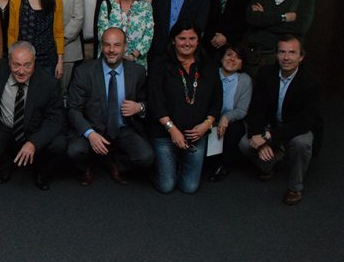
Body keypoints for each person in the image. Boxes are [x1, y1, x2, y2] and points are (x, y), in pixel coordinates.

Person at [0, 42, 66, 190]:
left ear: (34, 62)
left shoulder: (48, 82)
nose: (21, 71)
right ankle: (6, 167)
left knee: (59, 145)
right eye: (16, 65)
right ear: (9, 62)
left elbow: (55, 119)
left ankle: (41, 173)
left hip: (35, 128)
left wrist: (34, 143)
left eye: (27, 65)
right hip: (4, 126)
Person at [239, 35, 321, 205]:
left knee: (301, 144)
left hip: (297, 127)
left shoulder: (310, 82)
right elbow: (257, 108)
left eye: (292, 52)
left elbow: (304, 122)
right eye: (282, 52)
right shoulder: (265, 74)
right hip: (271, 124)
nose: (286, 57)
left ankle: (295, 188)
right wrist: (257, 137)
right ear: (276, 55)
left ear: (301, 57)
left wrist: (267, 137)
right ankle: (271, 164)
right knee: (245, 144)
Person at [67, 27, 153, 186]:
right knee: (74, 151)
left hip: (123, 128)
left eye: (117, 45)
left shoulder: (137, 72)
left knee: (146, 157)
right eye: (107, 45)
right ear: (101, 46)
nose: (111, 50)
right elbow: (73, 109)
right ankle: (87, 166)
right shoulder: (84, 72)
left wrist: (139, 107)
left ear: (125, 47)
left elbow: (148, 102)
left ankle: (115, 163)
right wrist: (90, 134)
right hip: (93, 127)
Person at [148, 20, 222, 194]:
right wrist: (172, 129)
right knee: (166, 186)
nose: (187, 43)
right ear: (173, 40)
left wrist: (207, 124)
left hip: (196, 135)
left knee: (190, 187)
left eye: (192, 38)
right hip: (165, 134)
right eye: (182, 38)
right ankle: (157, 167)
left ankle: (176, 162)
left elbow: (217, 99)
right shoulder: (160, 64)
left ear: (198, 40)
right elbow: (155, 101)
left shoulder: (208, 65)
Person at [242, 0, 315, 75]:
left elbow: (300, 27)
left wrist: (264, 19)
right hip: (256, 58)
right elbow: (252, 19)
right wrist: (283, 17)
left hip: (286, 60)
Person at [7, 0, 64, 79]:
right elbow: (12, 34)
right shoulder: (16, 1)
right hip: (23, 61)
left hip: (48, 59)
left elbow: (59, 33)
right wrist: (11, 59)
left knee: (47, 90)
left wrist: (60, 61)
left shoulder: (56, 0)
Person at [207, 45, 252, 182]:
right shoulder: (209, 74)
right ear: (221, 58)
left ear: (241, 64)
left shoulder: (245, 80)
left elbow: (242, 110)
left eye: (238, 57)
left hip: (231, 121)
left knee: (235, 128)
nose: (232, 59)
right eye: (229, 54)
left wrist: (226, 117)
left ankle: (224, 165)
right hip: (208, 117)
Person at [97, 0, 153, 68]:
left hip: (136, 62)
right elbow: (102, 33)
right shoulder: (107, 5)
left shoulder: (145, 7)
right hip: (110, 59)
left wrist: (133, 55)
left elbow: (148, 35)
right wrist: (118, 54)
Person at [46, 0, 84, 91]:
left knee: (62, 92)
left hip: (68, 49)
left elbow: (78, 18)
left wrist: (60, 40)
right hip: (42, 49)